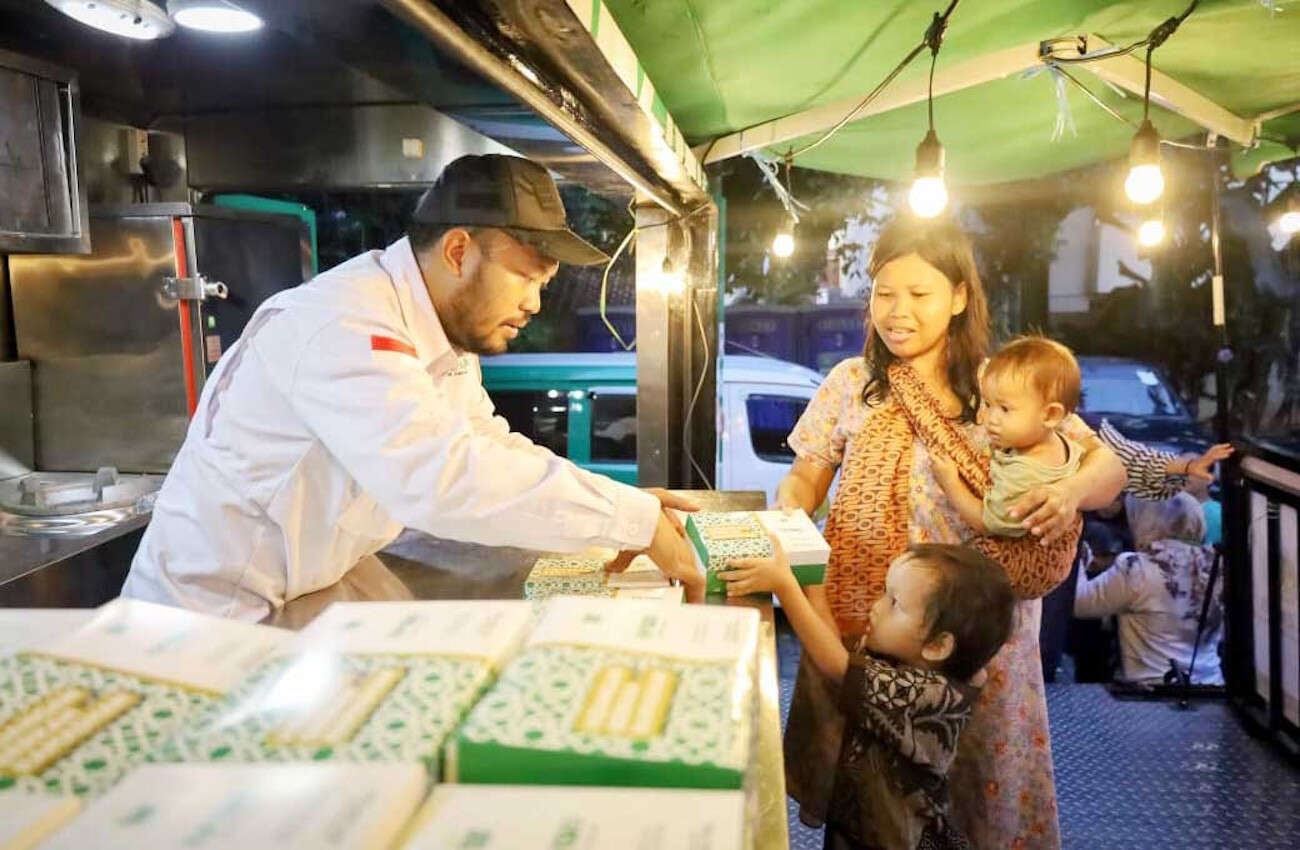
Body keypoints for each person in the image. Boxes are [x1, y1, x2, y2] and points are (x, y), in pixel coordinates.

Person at [123, 154, 701, 621]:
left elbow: (485, 444)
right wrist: (632, 520)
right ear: (457, 251)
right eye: (526, 277)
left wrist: (626, 503)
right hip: (206, 621)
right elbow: (440, 476)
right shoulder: (342, 324)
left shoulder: (442, 338)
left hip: (302, 594)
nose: (533, 303)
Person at [774, 215, 1127, 850]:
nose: (897, 311)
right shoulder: (851, 383)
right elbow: (806, 478)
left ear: (960, 297)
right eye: (885, 293)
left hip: (979, 639)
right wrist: (791, 509)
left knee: (978, 795)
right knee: (876, 807)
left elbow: (1108, 467)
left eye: (919, 294)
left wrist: (1069, 490)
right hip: (874, 628)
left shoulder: (1003, 386)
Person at [721, 542, 1016, 850]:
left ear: (938, 646)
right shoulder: (910, 660)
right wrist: (812, 587)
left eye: (895, 604)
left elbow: (838, 667)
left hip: (894, 837)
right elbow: (836, 648)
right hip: (861, 816)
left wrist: (786, 587)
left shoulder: (928, 693)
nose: (877, 606)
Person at [932, 337, 1085, 538]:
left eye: (1005, 409)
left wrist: (950, 483)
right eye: (987, 404)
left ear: (1050, 415)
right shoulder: (1062, 445)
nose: (989, 418)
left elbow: (987, 524)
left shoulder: (1023, 475)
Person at [1074, 492, 1224, 685]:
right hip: (1212, 685)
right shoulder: (1215, 565)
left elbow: (1079, 603)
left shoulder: (1137, 568)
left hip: (1151, 693)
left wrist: (1078, 557)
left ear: (1145, 520)